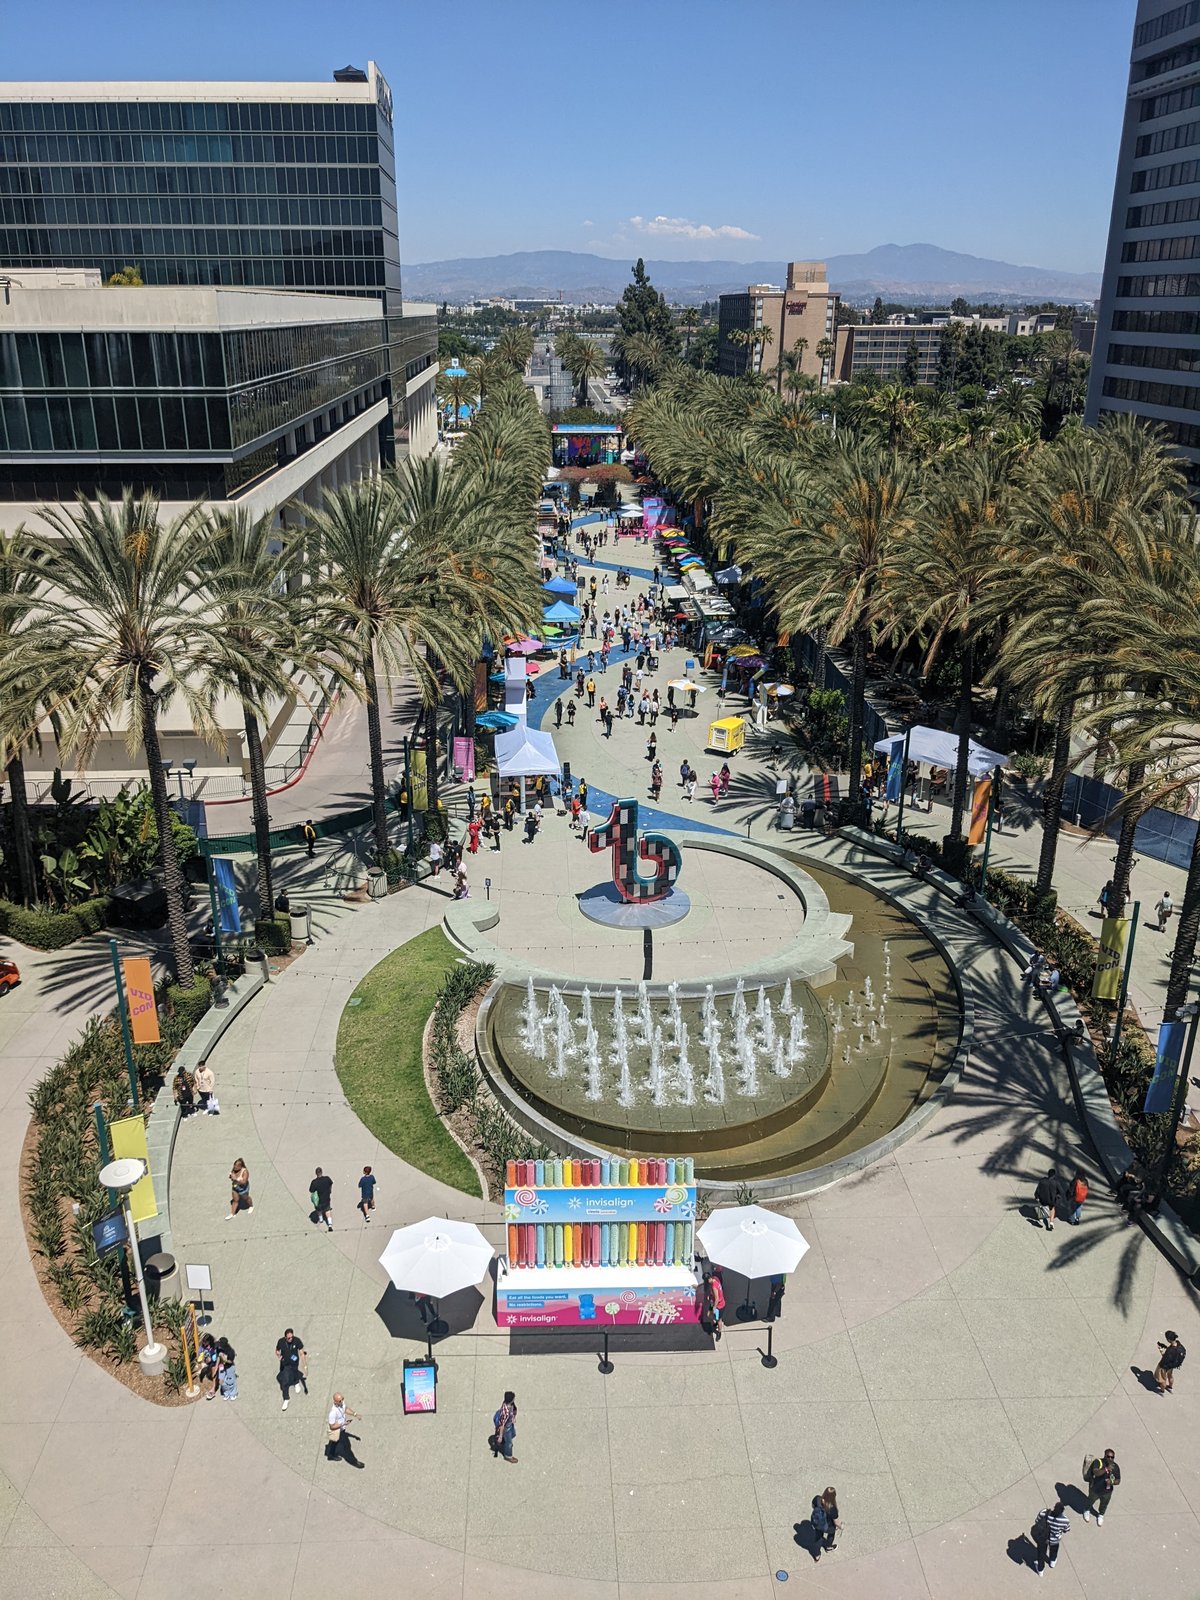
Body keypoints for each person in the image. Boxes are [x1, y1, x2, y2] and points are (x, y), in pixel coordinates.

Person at [326, 1392, 364, 1468]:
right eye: (340, 1401)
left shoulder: (341, 1404)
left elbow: (345, 1409)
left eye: (342, 1399)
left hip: (341, 1429)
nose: (342, 1401)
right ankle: (354, 1462)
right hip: (339, 1431)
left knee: (334, 1442)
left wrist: (355, 1414)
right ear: (335, 1402)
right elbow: (332, 1427)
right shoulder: (333, 1413)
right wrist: (343, 1424)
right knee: (347, 1448)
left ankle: (330, 1455)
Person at [1083, 1448, 1120, 1522]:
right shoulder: (1098, 1462)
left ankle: (1101, 1515)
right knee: (1090, 1500)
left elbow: (1118, 1480)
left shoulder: (1115, 1467)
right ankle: (1086, 1510)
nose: (1110, 1459)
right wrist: (1106, 1469)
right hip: (1095, 1489)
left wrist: (1111, 1482)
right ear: (1104, 1456)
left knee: (1104, 1504)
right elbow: (1096, 1473)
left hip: (1107, 1491)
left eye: (1112, 1457)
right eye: (1108, 1456)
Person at [276, 1328, 307, 1410]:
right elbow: (277, 1350)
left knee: (295, 1373)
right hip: (284, 1364)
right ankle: (286, 1398)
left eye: (291, 1337)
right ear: (285, 1337)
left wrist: (305, 1366)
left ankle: (296, 1382)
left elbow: (301, 1353)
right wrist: (278, 1355)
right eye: (289, 1338)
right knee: (285, 1381)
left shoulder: (296, 1341)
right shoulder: (281, 1342)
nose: (290, 1339)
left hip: (294, 1362)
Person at [1033, 1501, 1069, 1572]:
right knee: (1054, 1551)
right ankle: (1052, 1562)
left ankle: (1040, 1570)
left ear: (1054, 1507)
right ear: (1062, 1511)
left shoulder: (1043, 1513)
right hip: (1055, 1539)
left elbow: (1037, 1521)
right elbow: (1066, 1529)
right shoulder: (1065, 1520)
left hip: (1043, 1538)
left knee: (1041, 1554)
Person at [810, 1487, 840, 1561]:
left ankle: (817, 1555)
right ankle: (828, 1547)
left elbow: (813, 1506)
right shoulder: (832, 1508)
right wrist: (841, 1526)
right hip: (828, 1526)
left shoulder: (817, 1499)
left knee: (818, 1538)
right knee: (832, 1533)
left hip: (818, 1524)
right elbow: (836, 1522)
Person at [1154, 1329, 1186, 1394]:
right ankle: (1170, 1387)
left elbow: (1165, 1359)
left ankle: (1162, 1390)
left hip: (1165, 1366)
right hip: (1172, 1365)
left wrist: (1161, 1351)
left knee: (1162, 1379)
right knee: (1170, 1375)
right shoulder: (1179, 1345)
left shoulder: (1170, 1351)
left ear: (1168, 1340)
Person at [491, 1390, 518, 1463]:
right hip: (506, 1428)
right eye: (513, 1398)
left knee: (513, 1434)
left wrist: (513, 1418)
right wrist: (500, 1436)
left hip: (510, 1424)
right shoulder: (505, 1413)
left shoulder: (507, 1403)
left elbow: (513, 1411)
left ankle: (504, 1440)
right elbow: (502, 1426)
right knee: (509, 1443)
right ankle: (508, 1456)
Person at [310, 1167, 333, 1231]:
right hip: (326, 1198)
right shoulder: (327, 1179)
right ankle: (330, 1224)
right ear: (321, 1172)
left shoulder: (314, 1182)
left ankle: (321, 1219)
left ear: (316, 1173)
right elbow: (331, 1184)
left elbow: (311, 1190)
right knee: (327, 1210)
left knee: (319, 1209)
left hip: (319, 1200)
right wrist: (330, 1190)